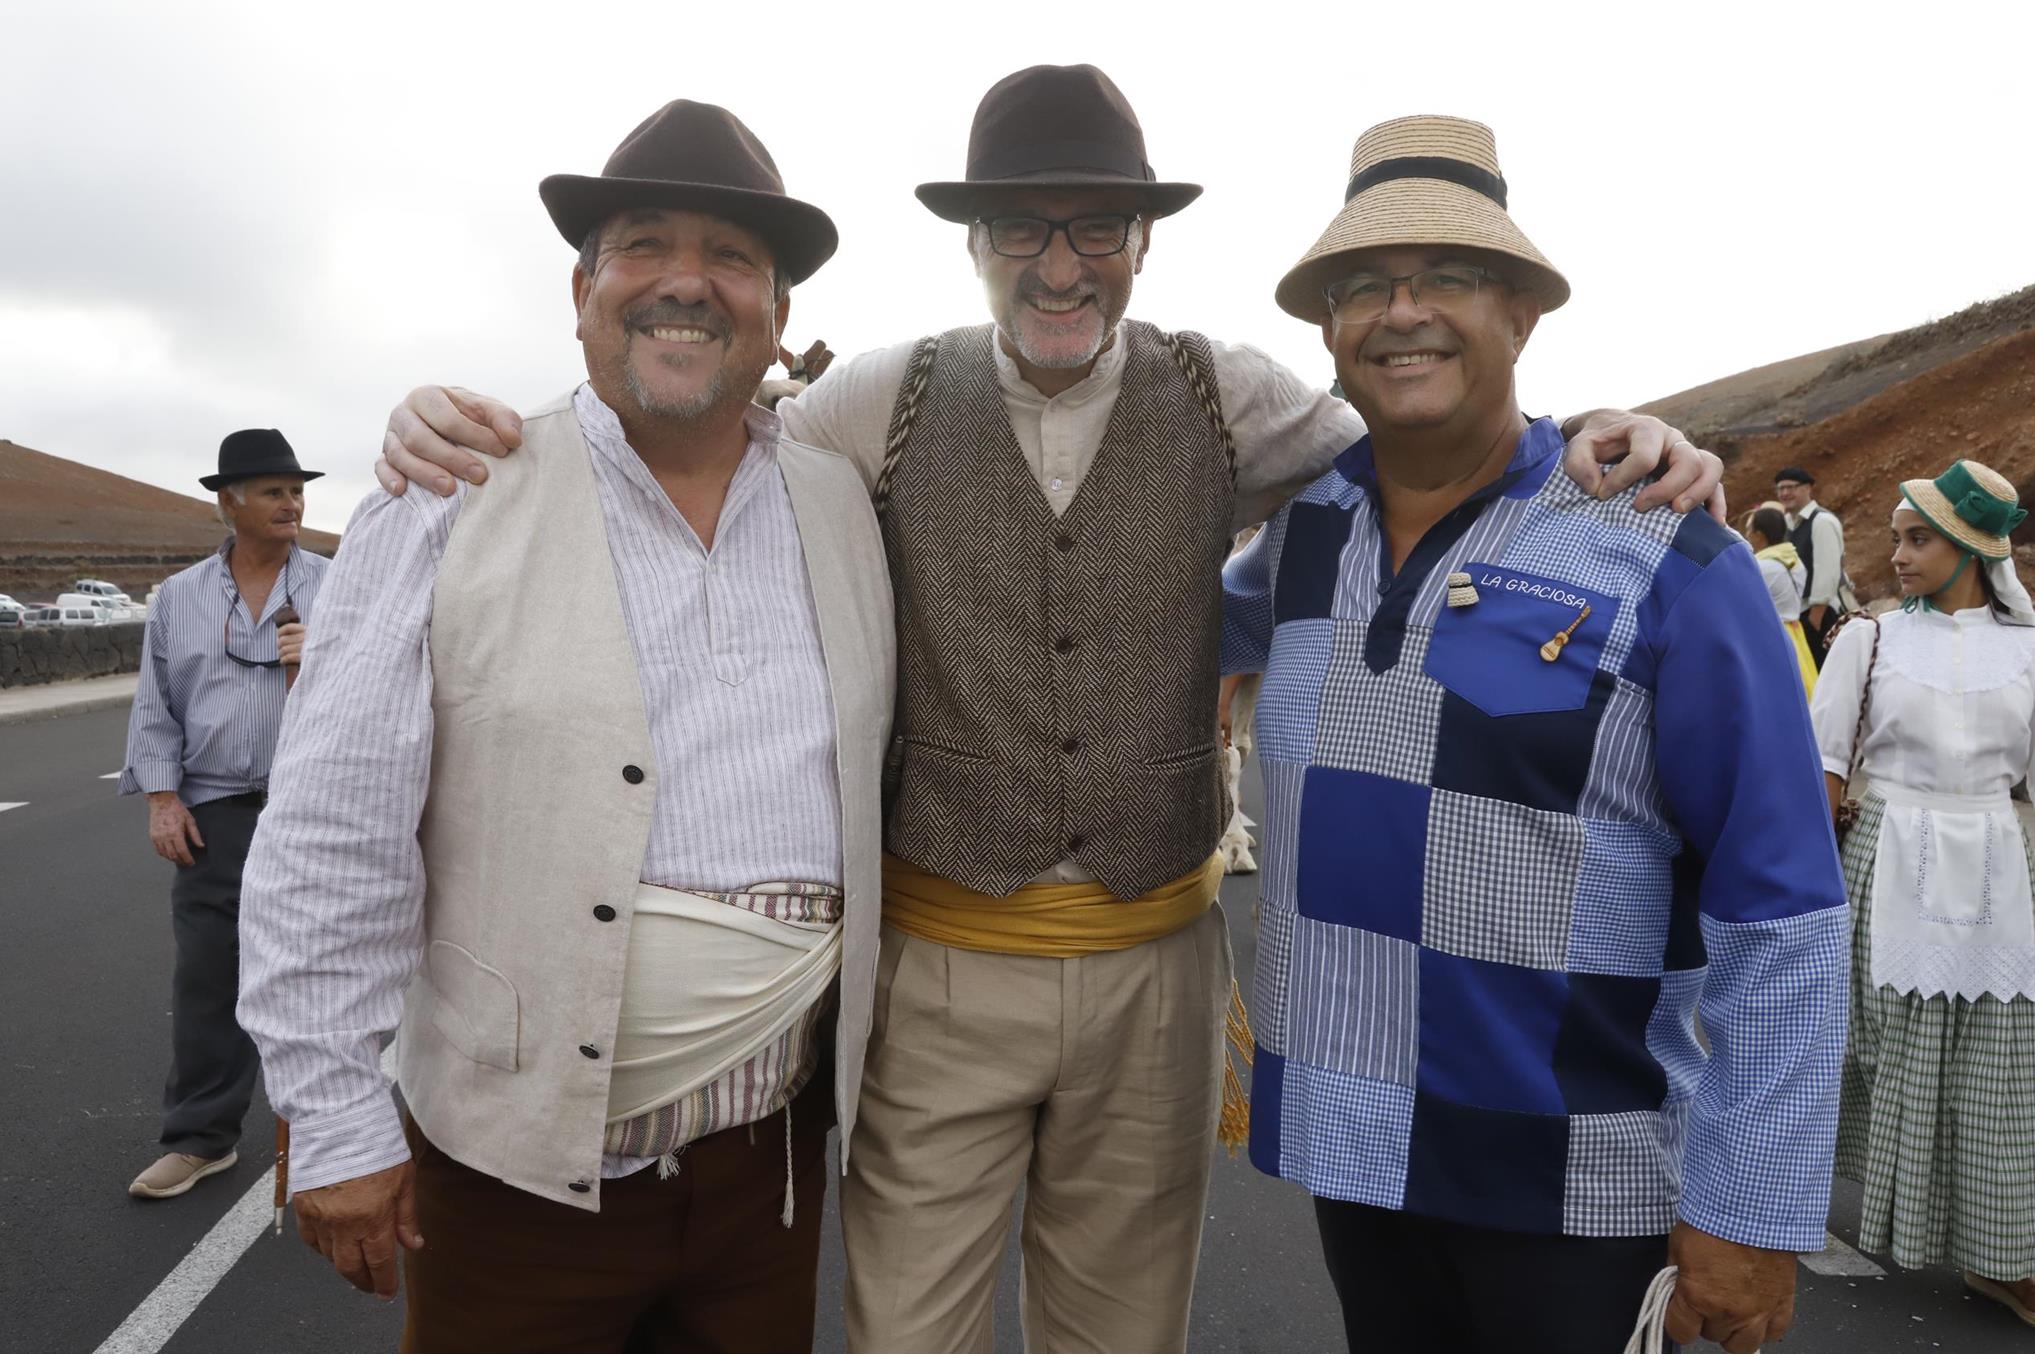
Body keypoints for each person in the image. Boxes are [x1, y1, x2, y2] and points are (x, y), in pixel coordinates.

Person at [374, 66, 1724, 1353]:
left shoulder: (1226, 389)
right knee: (909, 1329)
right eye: (1021, 227)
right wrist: (452, 415)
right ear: (973, 240)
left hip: (1156, 968)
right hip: (937, 967)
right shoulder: (875, 397)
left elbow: (1432, 445)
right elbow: (700, 424)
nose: (1061, 265)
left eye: (1097, 228)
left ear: (1144, 239)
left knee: (1121, 1332)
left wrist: (1596, 434)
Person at [234, 101, 894, 1352]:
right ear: (582, 289)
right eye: (645, 246)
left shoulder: (843, 501)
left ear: (779, 314)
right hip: (512, 1183)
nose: (686, 285)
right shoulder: (450, 495)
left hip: (771, 1175)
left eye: (733, 259)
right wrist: (331, 1118)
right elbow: (332, 825)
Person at [1223, 115, 1849, 1354]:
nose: (1400, 313)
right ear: (1328, 331)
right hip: (1358, 1161)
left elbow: (1781, 905)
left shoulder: (1668, 551)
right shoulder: (1293, 545)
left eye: (1446, 276)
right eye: (1361, 288)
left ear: (1523, 311)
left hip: (1583, 1190)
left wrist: (1749, 1211)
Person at [1809, 459, 2035, 1329]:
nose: (1894, 555)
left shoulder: (2028, 647)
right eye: (1896, 537)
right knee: (1869, 1049)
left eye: (1917, 539)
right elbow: (1825, 765)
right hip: (1881, 855)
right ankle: (1771, 1203)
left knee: (1999, 1065)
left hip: (1995, 868)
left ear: (1973, 548)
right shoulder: (1868, 640)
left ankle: (2000, 1255)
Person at [119, 430, 326, 1201]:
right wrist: (163, 799)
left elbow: (379, 700)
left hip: (312, 811)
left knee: (315, 975)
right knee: (210, 976)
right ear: (228, 502)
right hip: (217, 813)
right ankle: (201, 1138)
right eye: (273, 490)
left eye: (296, 489)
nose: (292, 502)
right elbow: (156, 705)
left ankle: (333, 1134)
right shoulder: (178, 598)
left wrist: (316, 665)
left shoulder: (337, 585)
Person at [1774, 466, 1850, 665]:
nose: (1784, 493)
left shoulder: (1822, 521)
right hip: (1798, 615)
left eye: (1790, 487)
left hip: (1820, 615)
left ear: (1808, 488)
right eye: (1780, 489)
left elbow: (1827, 572)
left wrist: (1815, 618)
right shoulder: (1787, 524)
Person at [1744, 502, 1818, 697]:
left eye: (1749, 531)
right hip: (1795, 632)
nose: (1747, 536)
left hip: (1771, 636)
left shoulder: (1763, 566)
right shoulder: (1794, 561)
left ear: (1759, 534)